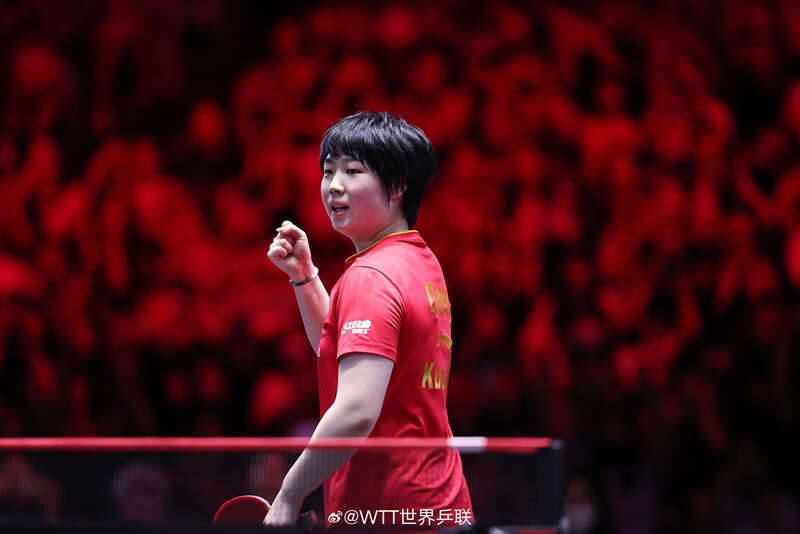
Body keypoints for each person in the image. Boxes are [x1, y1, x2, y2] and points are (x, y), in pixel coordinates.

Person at [264, 111, 472, 527]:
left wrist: (289, 494)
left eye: (353, 171)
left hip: (390, 512)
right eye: (329, 171)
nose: (333, 185)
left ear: (397, 186)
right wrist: (305, 275)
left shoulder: (371, 277)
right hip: (440, 506)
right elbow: (340, 347)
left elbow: (357, 408)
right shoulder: (419, 260)